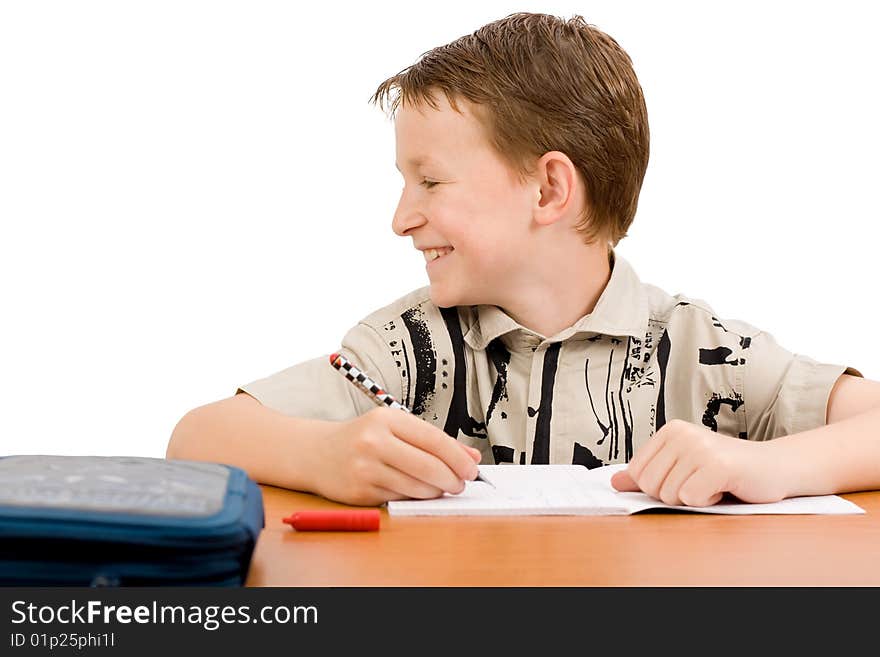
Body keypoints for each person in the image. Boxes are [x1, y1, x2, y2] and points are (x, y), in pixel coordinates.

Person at [166, 12, 880, 508]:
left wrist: (767, 463)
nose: (400, 218)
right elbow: (197, 435)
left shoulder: (703, 351)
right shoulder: (411, 348)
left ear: (548, 189)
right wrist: (322, 456)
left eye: (431, 180)